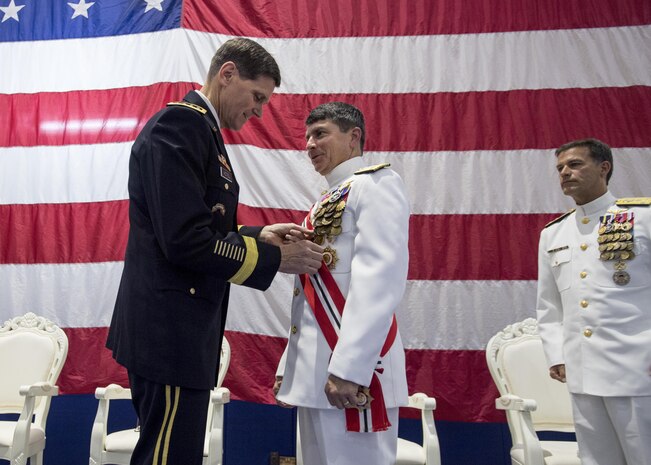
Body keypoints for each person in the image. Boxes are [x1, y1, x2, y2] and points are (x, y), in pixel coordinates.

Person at [106, 38, 323, 465]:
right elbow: (185, 240)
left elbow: (195, 221)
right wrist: (277, 260)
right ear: (227, 74)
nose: (260, 110)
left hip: (179, 331)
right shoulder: (181, 127)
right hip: (169, 333)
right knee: (167, 458)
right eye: (257, 96)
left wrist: (257, 236)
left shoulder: (202, 131)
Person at [273, 102, 410, 464]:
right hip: (319, 372)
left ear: (354, 137)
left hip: (354, 373)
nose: (310, 145)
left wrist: (350, 369)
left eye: (320, 134)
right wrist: (290, 365)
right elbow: (308, 292)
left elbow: (378, 282)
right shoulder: (329, 199)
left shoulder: (376, 185)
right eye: (306, 137)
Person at [536, 138, 651, 465]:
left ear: (604, 167)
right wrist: (556, 353)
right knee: (596, 459)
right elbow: (549, 304)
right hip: (582, 369)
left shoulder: (642, 218)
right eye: (560, 168)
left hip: (638, 368)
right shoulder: (553, 234)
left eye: (574, 164)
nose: (565, 173)